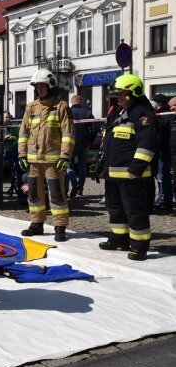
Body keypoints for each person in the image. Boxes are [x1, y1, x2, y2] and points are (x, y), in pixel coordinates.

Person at [97, 74, 156, 261]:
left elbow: (147, 143)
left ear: (133, 93)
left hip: (131, 175)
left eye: (122, 94)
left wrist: (136, 169)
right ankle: (119, 239)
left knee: (135, 210)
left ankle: (139, 246)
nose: (118, 97)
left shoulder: (143, 114)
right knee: (115, 208)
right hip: (113, 172)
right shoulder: (118, 113)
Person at [17, 69, 74, 242]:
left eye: (42, 86)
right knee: (34, 194)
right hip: (33, 161)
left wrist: (65, 157)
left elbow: (68, 134)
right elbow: (23, 133)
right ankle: (36, 224)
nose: (39, 90)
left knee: (57, 194)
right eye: (37, 87)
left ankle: (60, 227)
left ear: (50, 86)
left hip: (53, 162)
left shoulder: (61, 107)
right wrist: (21, 155)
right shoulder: (31, 107)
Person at [66, 95, 97, 199]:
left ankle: (74, 183)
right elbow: (94, 129)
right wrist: (90, 141)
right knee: (82, 167)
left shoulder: (67, 112)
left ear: (72, 102)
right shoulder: (87, 113)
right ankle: (80, 190)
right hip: (83, 144)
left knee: (68, 166)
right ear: (80, 101)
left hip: (69, 143)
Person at [152, 94, 172, 212]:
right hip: (159, 150)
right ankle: (162, 199)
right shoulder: (158, 114)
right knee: (160, 177)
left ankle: (164, 200)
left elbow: (164, 134)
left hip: (164, 151)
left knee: (163, 177)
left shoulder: (166, 115)